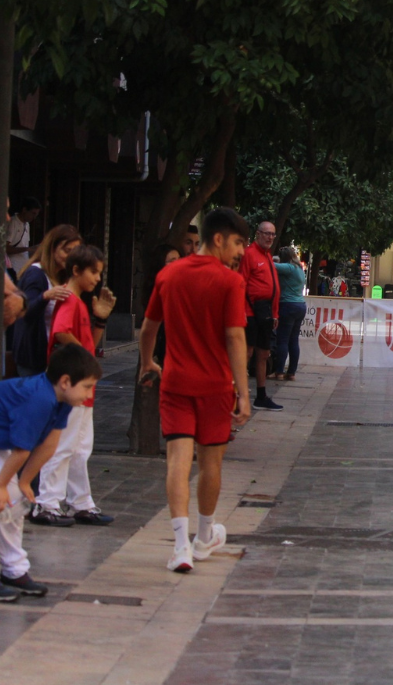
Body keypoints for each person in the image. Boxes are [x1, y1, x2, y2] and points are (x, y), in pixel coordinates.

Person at [139, 207, 253, 573]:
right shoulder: (230, 282)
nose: (240, 253)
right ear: (217, 239)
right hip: (216, 387)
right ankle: (204, 537)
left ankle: (179, 547)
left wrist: (147, 362)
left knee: (177, 460)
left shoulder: (168, 274)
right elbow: (235, 336)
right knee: (210, 463)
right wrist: (243, 392)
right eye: (237, 244)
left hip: (175, 383)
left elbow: (148, 327)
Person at [0, 343, 101, 601]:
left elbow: (50, 444)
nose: (89, 393)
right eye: (87, 386)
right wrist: (0, 485)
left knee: (15, 503)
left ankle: (14, 570)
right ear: (65, 381)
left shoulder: (61, 400)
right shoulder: (39, 399)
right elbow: (21, 450)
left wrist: (24, 482)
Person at [32, 245, 117, 527]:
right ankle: (47, 503)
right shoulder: (69, 300)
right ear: (77, 271)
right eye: (93, 272)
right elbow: (60, 333)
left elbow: (85, 342)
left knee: (80, 448)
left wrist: (100, 320)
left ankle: (81, 503)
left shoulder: (78, 302)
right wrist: (83, 358)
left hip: (82, 386)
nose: (96, 278)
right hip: (73, 386)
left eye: (99, 273)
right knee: (64, 446)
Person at [12, 225, 81, 378]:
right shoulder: (35, 275)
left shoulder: (61, 276)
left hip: (50, 357)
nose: (70, 258)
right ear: (52, 248)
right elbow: (24, 313)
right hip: (33, 359)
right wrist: (45, 297)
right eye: (66, 251)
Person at [239, 221, 282, 411]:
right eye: (267, 233)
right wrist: (242, 312)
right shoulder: (249, 254)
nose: (270, 237)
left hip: (265, 313)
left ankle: (261, 395)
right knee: (247, 352)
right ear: (258, 234)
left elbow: (273, 288)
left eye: (272, 234)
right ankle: (239, 396)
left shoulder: (268, 257)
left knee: (263, 353)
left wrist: (274, 314)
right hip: (249, 311)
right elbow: (241, 283)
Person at [272, 246, 307, 381]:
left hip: (287, 305)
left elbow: (270, 265)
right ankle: (291, 372)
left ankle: (279, 371)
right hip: (300, 305)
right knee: (293, 340)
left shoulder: (288, 268)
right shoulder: (299, 269)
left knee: (282, 339)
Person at [5, 197, 42, 279]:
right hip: (13, 269)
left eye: (36, 214)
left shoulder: (27, 224)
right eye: (33, 213)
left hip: (23, 269)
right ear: (24, 210)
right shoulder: (13, 222)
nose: (34, 217)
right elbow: (6, 248)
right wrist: (27, 249)